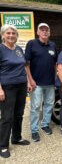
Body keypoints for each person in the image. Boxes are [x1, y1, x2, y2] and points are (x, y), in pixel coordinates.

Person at [0, 24, 32, 158]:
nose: (11, 35)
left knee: (19, 113)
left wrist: (29, 81)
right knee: (7, 116)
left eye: (13, 33)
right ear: (3, 35)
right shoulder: (1, 49)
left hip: (21, 85)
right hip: (8, 87)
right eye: (8, 33)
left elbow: (24, 65)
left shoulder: (19, 49)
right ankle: (3, 145)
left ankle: (16, 138)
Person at [25, 23, 58, 142]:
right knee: (35, 107)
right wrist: (30, 80)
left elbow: (55, 63)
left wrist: (55, 77)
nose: (44, 32)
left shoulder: (52, 45)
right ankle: (34, 130)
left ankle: (45, 124)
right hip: (36, 83)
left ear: (49, 32)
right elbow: (26, 64)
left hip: (50, 83)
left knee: (49, 105)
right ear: (37, 32)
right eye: (42, 30)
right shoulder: (31, 44)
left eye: (46, 30)